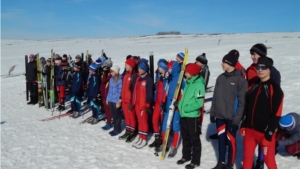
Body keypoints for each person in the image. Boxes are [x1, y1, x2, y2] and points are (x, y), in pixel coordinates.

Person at [240, 56, 284, 169]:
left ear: (269, 69)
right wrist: (243, 125)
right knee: (247, 158)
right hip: (250, 131)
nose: (260, 70)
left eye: (263, 67)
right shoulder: (253, 85)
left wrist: (269, 134)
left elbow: (277, 114)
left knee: (269, 161)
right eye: (258, 67)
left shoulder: (275, 89)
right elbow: (247, 107)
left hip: (264, 132)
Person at [210, 50, 248, 169]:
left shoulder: (240, 80)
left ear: (230, 63)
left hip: (232, 117)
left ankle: (230, 165)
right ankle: (221, 162)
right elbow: (215, 96)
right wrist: (212, 112)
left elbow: (242, 102)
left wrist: (237, 119)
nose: (221, 64)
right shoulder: (220, 78)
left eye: (223, 62)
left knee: (231, 141)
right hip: (220, 116)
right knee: (221, 140)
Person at [176, 63, 205, 169]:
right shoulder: (188, 83)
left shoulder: (199, 85)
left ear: (192, 73)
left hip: (192, 116)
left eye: (187, 72)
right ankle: (186, 156)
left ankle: (196, 160)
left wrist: (186, 108)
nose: (185, 73)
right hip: (184, 115)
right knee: (185, 137)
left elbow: (199, 103)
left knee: (194, 138)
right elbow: (184, 99)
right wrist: (179, 105)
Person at [161, 52, 186, 158]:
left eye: (171, 68)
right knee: (164, 127)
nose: (169, 70)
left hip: (176, 108)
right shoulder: (169, 79)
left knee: (175, 127)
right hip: (167, 106)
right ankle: (164, 143)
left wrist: (179, 103)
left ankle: (174, 146)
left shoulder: (181, 80)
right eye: (169, 68)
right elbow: (165, 91)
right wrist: (163, 102)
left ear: (175, 68)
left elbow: (185, 94)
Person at [131, 62, 153, 149]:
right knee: (139, 121)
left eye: (140, 69)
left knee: (144, 121)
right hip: (137, 104)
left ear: (144, 69)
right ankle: (140, 137)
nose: (139, 70)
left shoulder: (149, 79)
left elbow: (149, 93)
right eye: (138, 69)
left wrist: (147, 104)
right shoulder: (138, 78)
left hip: (143, 105)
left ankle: (144, 139)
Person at [148, 59, 169, 148]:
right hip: (157, 102)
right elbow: (157, 90)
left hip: (163, 103)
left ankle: (164, 141)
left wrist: (164, 102)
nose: (158, 68)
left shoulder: (168, 78)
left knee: (163, 123)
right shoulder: (159, 76)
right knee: (154, 120)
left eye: (160, 67)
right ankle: (157, 138)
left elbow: (167, 91)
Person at [119, 58, 139, 142]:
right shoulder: (126, 75)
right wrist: (120, 97)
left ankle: (132, 132)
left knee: (131, 117)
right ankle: (128, 130)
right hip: (124, 100)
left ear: (131, 66)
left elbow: (134, 90)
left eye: (126, 65)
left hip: (130, 100)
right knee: (126, 117)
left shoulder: (134, 76)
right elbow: (123, 88)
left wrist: (132, 101)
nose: (125, 66)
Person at [106, 65, 123, 136]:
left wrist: (118, 101)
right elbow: (109, 90)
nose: (111, 73)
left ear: (116, 72)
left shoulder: (120, 80)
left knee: (117, 115)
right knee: (113, 114)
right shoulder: (111, 79)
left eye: (112, 71)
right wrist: (107, 98)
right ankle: (115, 128)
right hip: (111, 99)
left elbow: (120, 91)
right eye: (111, 71)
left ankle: (117, 129)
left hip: (116, 100)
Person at [100, 58, 113, 130]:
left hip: (108, 94)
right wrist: (100, 92)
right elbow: (102, 83)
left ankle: (109, 122)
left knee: (108, 109)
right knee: (106, 109)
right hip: (104, 93)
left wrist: (105, 73)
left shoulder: (110, 74)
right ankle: (108, 121)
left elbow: (105, 80)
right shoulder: (104, 73)